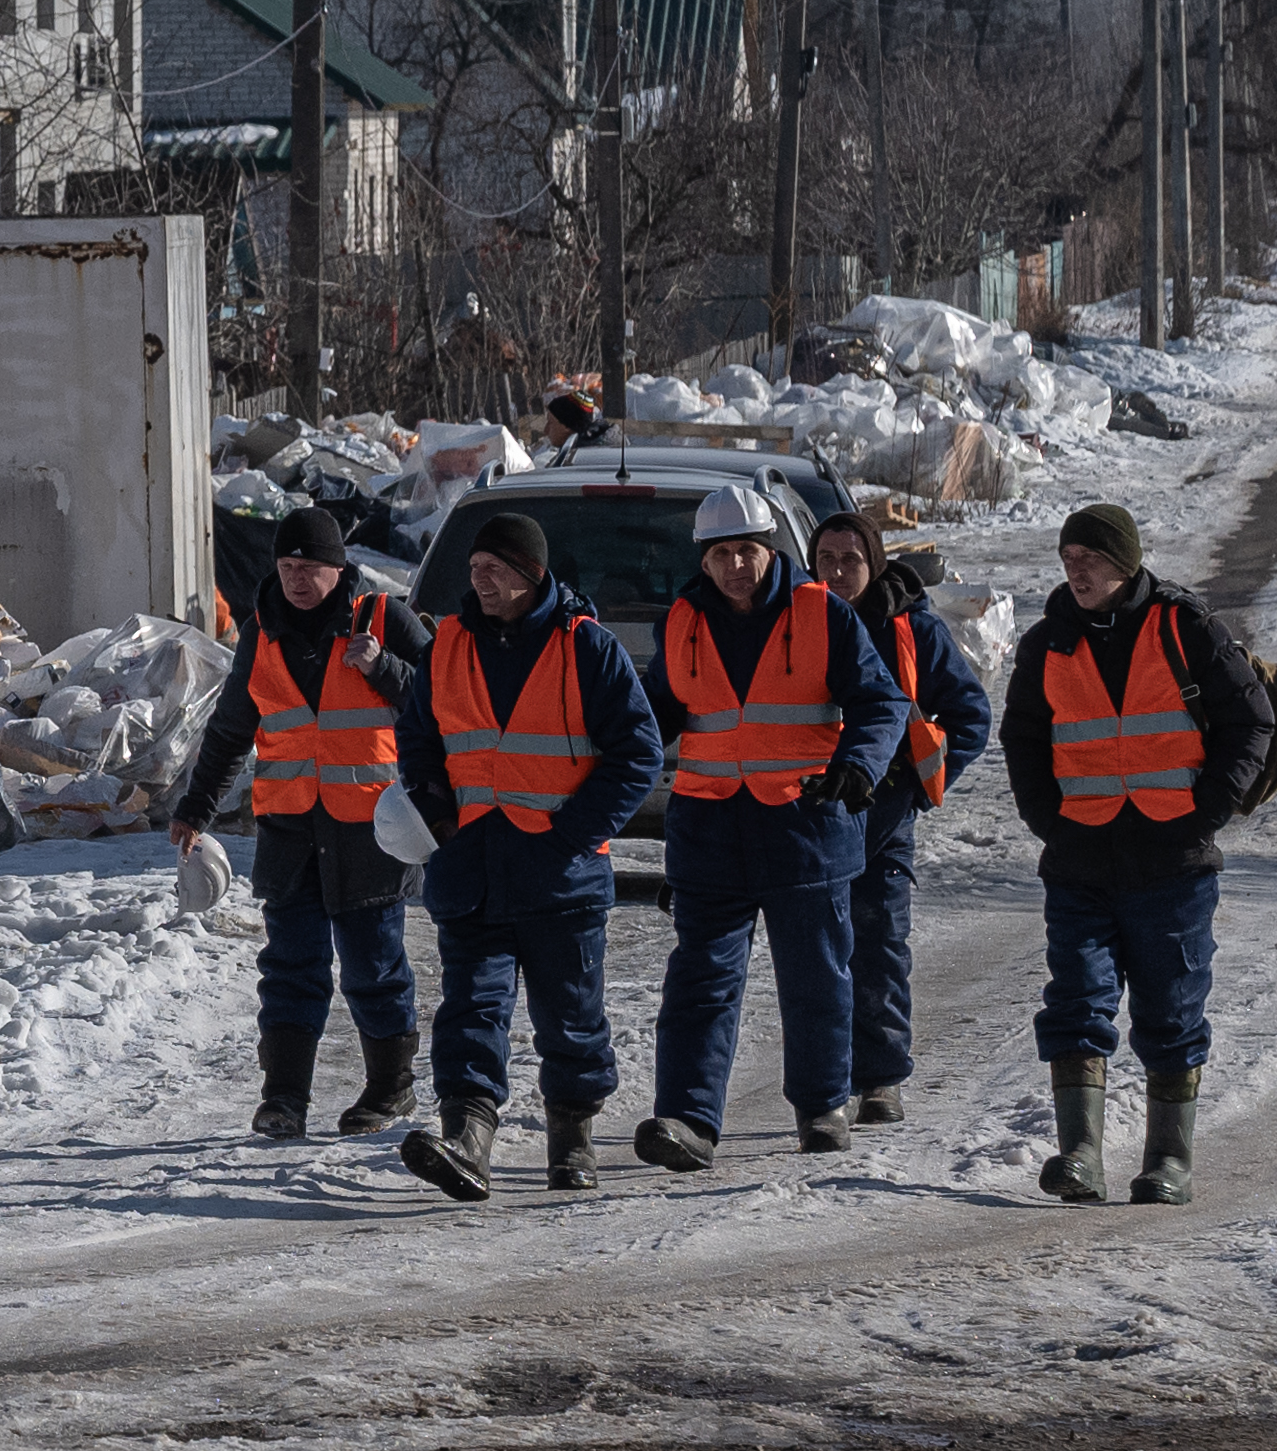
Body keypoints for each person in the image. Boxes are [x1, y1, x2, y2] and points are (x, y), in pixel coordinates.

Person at [987, 497, 1276, 1203]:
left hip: (1171, 860)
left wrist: (1205, 811)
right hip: (1080, 859)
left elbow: (1252, 719)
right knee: (1076, 999)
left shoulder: (1185, 626)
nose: (1076, 570)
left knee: (1171, 1008)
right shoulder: (1048, 642)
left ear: (1125, 561)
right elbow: (1022, 736)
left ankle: (1169, 1162)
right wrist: (1048, 818)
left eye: (1090, 557)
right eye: (1068, 558)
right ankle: (1080, 1155)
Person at [387, 502, 666, 1197]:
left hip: (560, 874)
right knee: (470, 1009)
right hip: (470, 868)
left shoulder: (587, 647)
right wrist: (434, 808)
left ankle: (572, 1141)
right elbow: (418, 738)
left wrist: (574, 832)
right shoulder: (447, 645)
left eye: (495, 568)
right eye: (474, 567)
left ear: (531, 573)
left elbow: (638, 753)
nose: (480, 579)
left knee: (571, 1017)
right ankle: (467, 1139)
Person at [638, 493, 896, 1172]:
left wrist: (859, 765)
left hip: (804, 828)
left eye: (746, 551)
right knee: (700, 980)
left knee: (815, 979)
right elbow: (651, 717)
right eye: (721, 554)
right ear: (704, 560)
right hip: (709, 830)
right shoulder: (682, 621)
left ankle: (822, 1108)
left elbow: (881, 701)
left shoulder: (822, 613)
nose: (735, 566)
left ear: (770, 549)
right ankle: (687, 1119)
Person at [175, 502, 428, 1139]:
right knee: (291, 965)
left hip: (370, 830)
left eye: (309, 566)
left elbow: (441, 702)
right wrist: (196, 808)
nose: (295, 578)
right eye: (286, 566)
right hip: (289, 829)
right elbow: (231, 728)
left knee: (373, 965)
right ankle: (284, 1098)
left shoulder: (383, 617)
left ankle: (390, 1088)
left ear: (338, 568)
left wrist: (383, 667)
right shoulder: (261, 631)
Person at [803, 507, 990, 1136]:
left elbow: (969, 716)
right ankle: (828, 1085)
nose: (836, 573)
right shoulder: (795, 625)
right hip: (808, 817)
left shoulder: (912, 629)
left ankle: (881, 1079)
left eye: (850, 561)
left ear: (875, 563)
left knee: (879, 945)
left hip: (882, 819)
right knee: (819, 955)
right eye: (825, 560)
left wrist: (917, 788)